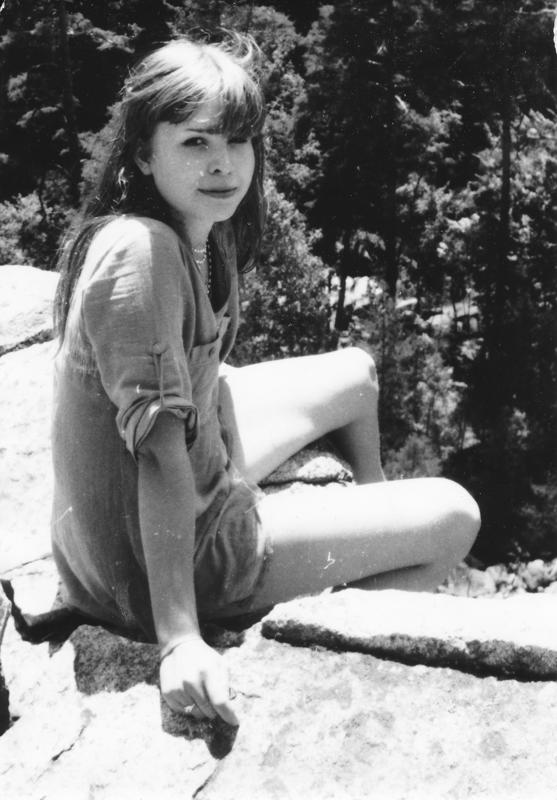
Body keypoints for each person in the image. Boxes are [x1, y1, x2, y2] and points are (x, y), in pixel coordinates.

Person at [51, 33, 480, 727]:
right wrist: (179, 641)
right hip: (154, 562)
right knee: (454, 516)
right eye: (195, 142)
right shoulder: (141, 252)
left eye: (239, 140)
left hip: (198, 462)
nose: (223, 164)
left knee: (356, 372)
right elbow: (157, 453)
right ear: (142, 153)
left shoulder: (197, 225)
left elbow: (198, 375)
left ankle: (365, 522)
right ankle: (340, 609)